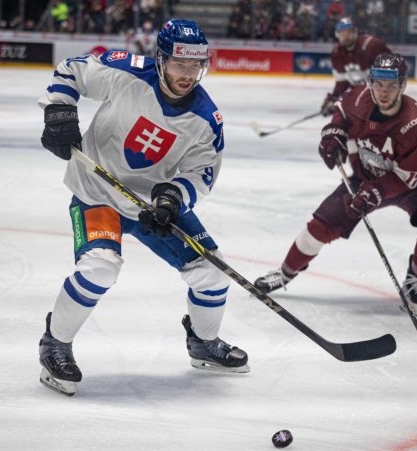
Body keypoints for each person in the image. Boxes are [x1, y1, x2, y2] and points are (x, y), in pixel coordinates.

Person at [37, 19, 249, 396]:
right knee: (100, 269)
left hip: (153, 203)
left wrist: (173, 197)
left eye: (196, 66)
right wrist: (59, 109)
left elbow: (203, 171)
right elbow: (72, 70)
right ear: (161, 58)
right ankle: (55, 344)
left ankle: (203, 343)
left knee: (212, 271)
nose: (188, 75)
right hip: (97, 193)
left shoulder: (206, 118)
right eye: (180, 64)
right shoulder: (125, 72)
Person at [255, 53, 417, 321]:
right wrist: (333, 134)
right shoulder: (357, 98)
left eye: (391, 86)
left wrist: (377, 192)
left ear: (403, 86)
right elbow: (340, 114)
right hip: (364, 178)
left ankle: (415, 279)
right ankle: (285, 273)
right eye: (378, 84)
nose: (383, 92)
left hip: (413, 183)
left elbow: (408, 177)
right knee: (319, 227)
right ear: (370, 82)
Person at [320, 17, 392, 116]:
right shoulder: (337, 53)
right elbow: (342, 82)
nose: (346, 36)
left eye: (349, 32)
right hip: (363, 99)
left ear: (355, 32)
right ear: (337, 35)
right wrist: (333, 99)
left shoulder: (371, 46)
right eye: (342, 33)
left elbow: (394, 69)